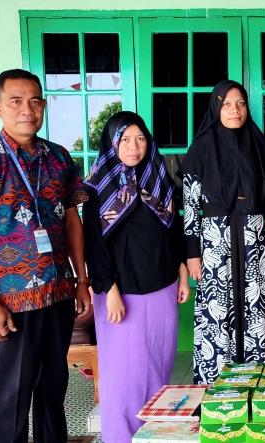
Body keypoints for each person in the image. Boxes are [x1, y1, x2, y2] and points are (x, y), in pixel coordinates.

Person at [0, 69, 91, 443]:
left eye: (34, 101)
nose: (26, 110)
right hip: (10, 301)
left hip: (58, 294)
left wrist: (81, 280)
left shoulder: (59, 157)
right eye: (15, 101)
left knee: (52, 393)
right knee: (8, 401)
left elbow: (72, 220)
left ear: (43, 105)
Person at [83, 111, 190, 442]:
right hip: (121, 292)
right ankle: (120, 437)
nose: (134, 146)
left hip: (161, 287)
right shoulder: (97, 189)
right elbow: (94, 245)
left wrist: (182, 273)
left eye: (140, 139)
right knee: (124, 375)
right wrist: (109, 289)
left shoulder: (159, 180)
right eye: (126, 140)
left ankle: (152, 435)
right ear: (112, 144)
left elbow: (173, 231)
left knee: (158, 365)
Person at [179, 80, 265, 385]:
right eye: (227, 104)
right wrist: (192, 254)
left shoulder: (259, 145)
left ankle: (261, 387)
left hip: (255, 245)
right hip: (215, 245)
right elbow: (190, 206)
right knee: (217, 312)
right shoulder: (201, 149)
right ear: (216, 108)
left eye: (240, 103)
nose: (235, 110)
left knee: (257, 309)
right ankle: (217, 389)